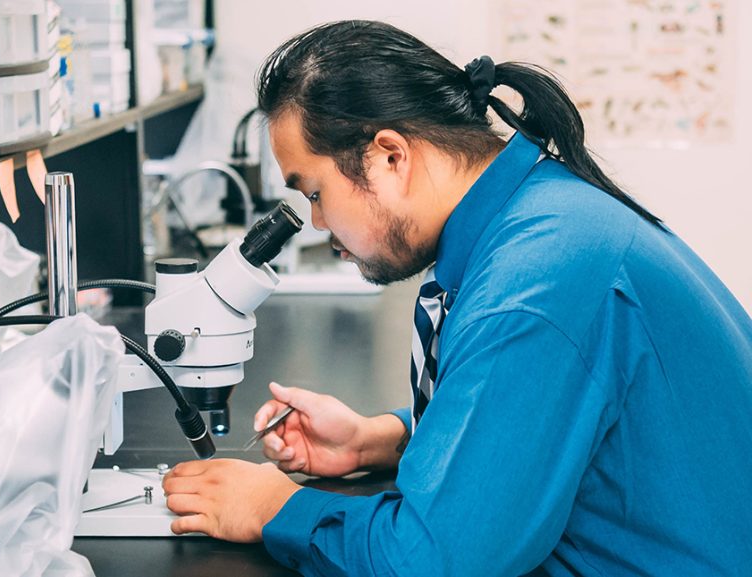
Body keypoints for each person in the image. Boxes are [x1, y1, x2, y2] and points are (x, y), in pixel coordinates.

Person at [161, 20, 752, 576]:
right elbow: (545, 429)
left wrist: (272, 506)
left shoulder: (535, 282)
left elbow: (435, 559)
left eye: (315, 192)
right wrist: (383, 439)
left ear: (390, 157)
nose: (316, 223)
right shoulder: (538, 214)